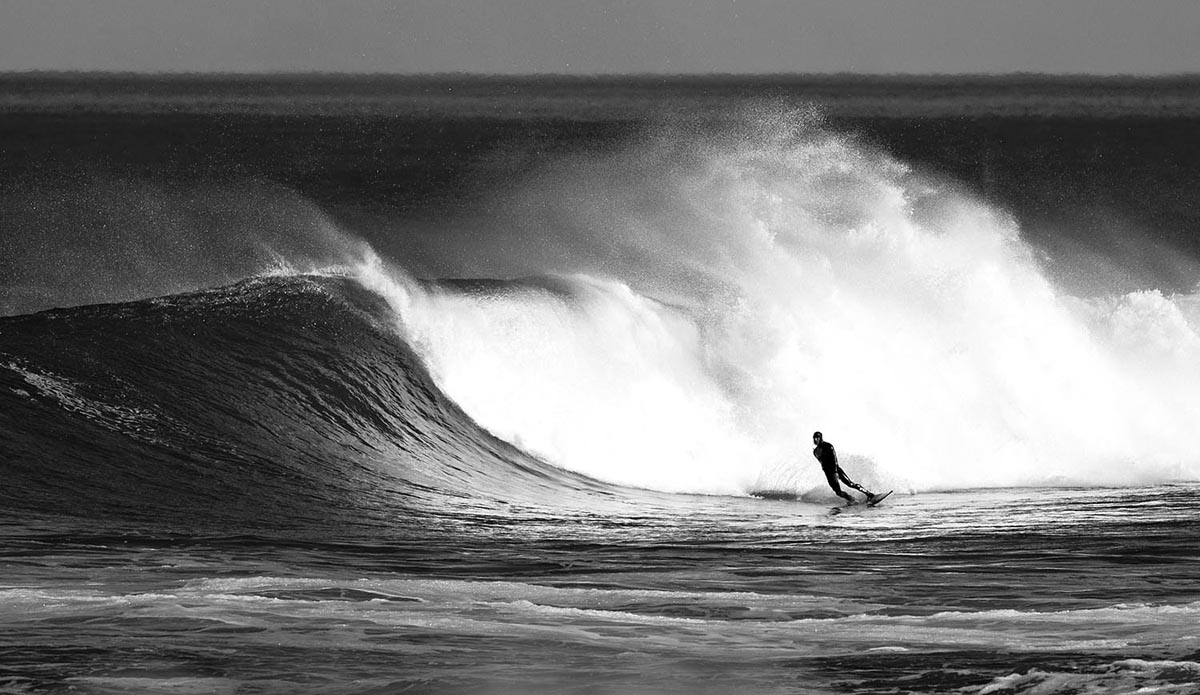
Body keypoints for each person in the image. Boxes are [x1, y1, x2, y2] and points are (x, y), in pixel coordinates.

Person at [812, 431, 875, 505]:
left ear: (821, 438)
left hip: (835, 470)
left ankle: (869, 494)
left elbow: (834, 459)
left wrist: (835, 472)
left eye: (817, 438)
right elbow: (822, 463)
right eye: (814, 438)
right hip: (828, 473)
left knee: (850, 484)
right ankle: (851, 499)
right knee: (838, 492)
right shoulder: (815, 451)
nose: (815, 440)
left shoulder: (828, 446)